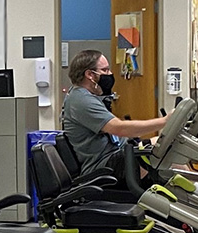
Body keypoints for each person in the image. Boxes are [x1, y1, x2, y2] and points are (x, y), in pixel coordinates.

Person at [62, 49, 168, 183]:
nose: (110, 74)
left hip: (116, 155)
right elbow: (119, 128)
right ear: (90, 74)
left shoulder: (89, 97)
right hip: (103, 167)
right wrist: (164, 121)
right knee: (162, 147)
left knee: (167, 149)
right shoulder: (81, 100)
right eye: (105, 70)